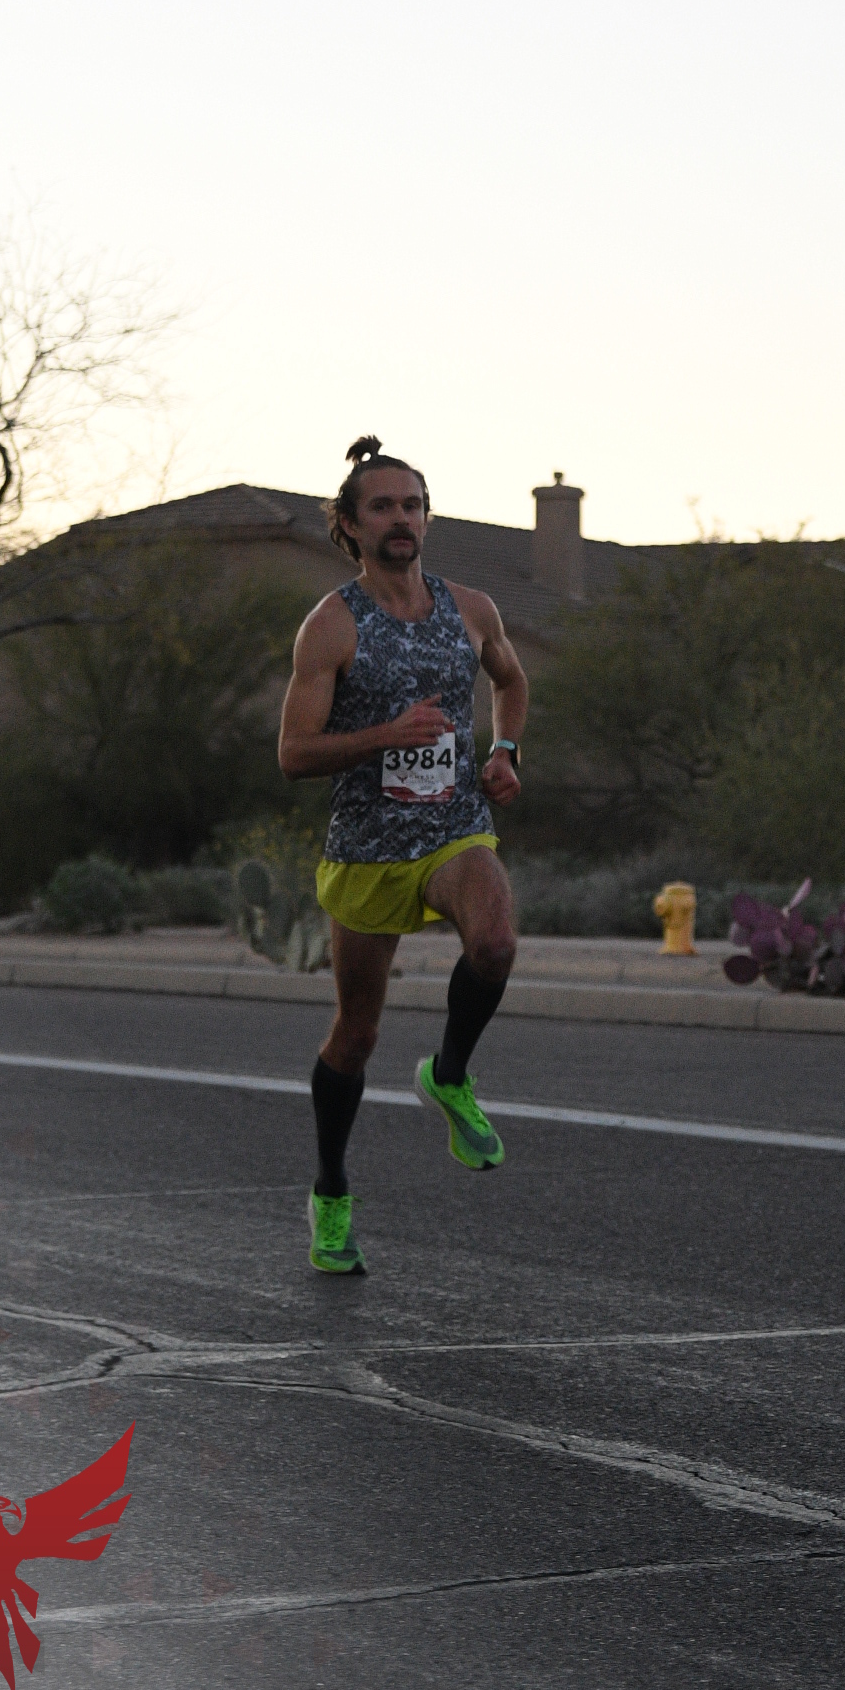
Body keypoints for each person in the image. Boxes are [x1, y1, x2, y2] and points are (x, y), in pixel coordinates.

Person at [276, 437, 528, 1275]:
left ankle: (450, 1075)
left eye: (412, 505)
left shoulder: (473, 608)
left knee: (495, 942)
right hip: (367, 848)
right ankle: (331, 1192)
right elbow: (294, 753)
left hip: (454, 827)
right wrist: (387, 735)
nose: (401, 519)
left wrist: (505, 752)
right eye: (382, 507)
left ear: (428, 517)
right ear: (349, 525)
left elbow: (511, 681)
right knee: (356, 1034)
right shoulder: (332, 624)